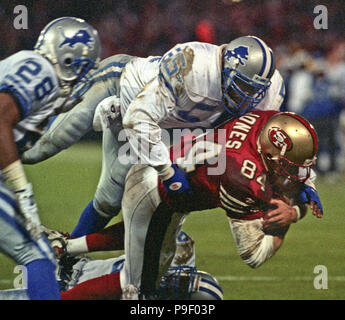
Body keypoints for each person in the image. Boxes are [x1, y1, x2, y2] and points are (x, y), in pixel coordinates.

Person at [22, 35, 287, 238]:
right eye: (241, 86)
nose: (247, 98)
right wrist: (168, 172)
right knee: (38, 149)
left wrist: (303, 187)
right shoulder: (193, 65)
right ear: (226, 69)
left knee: (109, 200)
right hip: (119, 84)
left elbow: (273, 139)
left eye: (254, 91)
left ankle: (68, 254)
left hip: (155, 122)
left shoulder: (268, 90)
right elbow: (139, 117)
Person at [116, 110, 322, 298]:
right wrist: (287, 217)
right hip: (155, 196)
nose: (297, 174)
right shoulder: (242, 176)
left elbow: (294, 173)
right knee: (139, 289)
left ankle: (88, 256)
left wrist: (300, 199)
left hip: (163, 179)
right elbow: (254, 254)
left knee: (148, 274)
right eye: (288, 165)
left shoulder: (266, 120)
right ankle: (87, 275)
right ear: (270, 154)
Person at [0, 17, 101, 300]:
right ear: (69, 58)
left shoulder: (33, 67)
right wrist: (22, 189)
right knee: (38, 253)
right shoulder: (41, 71)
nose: (84, 76)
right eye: (83, 67)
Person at [0, 230, 223, 300]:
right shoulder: (180, 249)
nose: (172, 283)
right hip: (72, 264)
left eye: (179, 290)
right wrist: (71, 245)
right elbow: (133, 230)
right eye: (182, 281)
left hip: (63, 291)